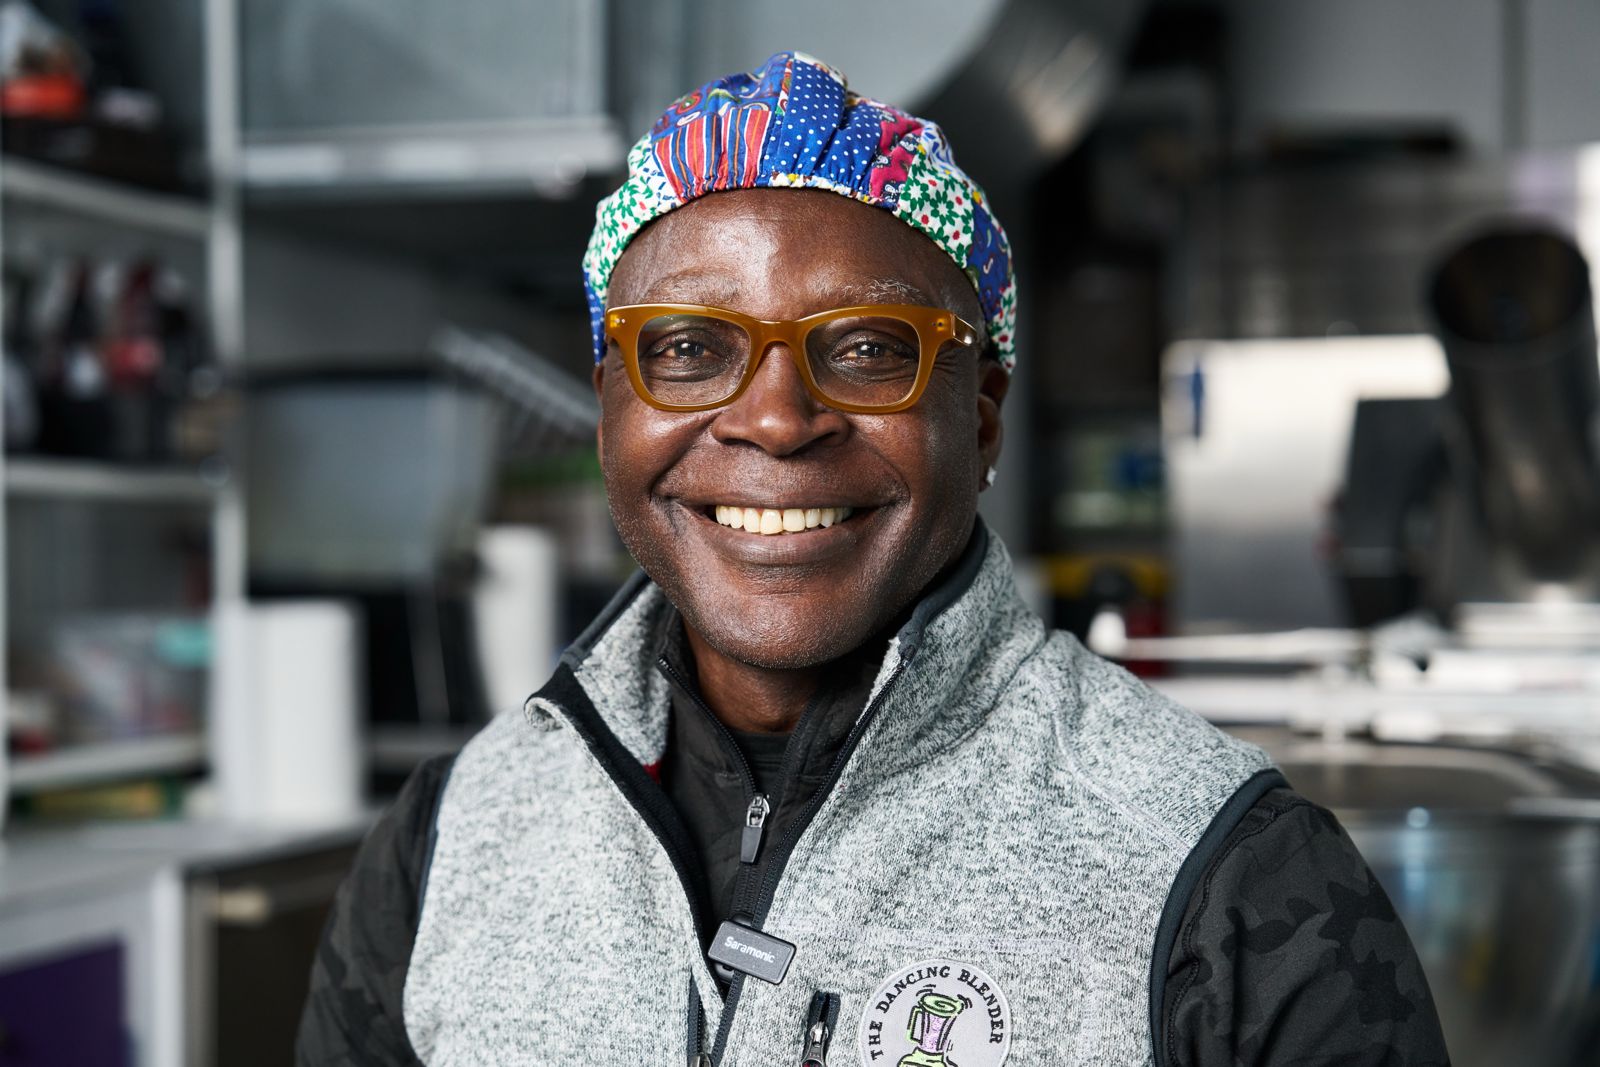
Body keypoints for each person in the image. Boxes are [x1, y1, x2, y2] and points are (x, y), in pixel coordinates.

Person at [298, 52, 1449, 1066]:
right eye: (688, 347)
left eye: (865, 349)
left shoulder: (1233, 879)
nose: (775, 419)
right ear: (610, 408)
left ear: (981, 417)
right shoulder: (451, 838)